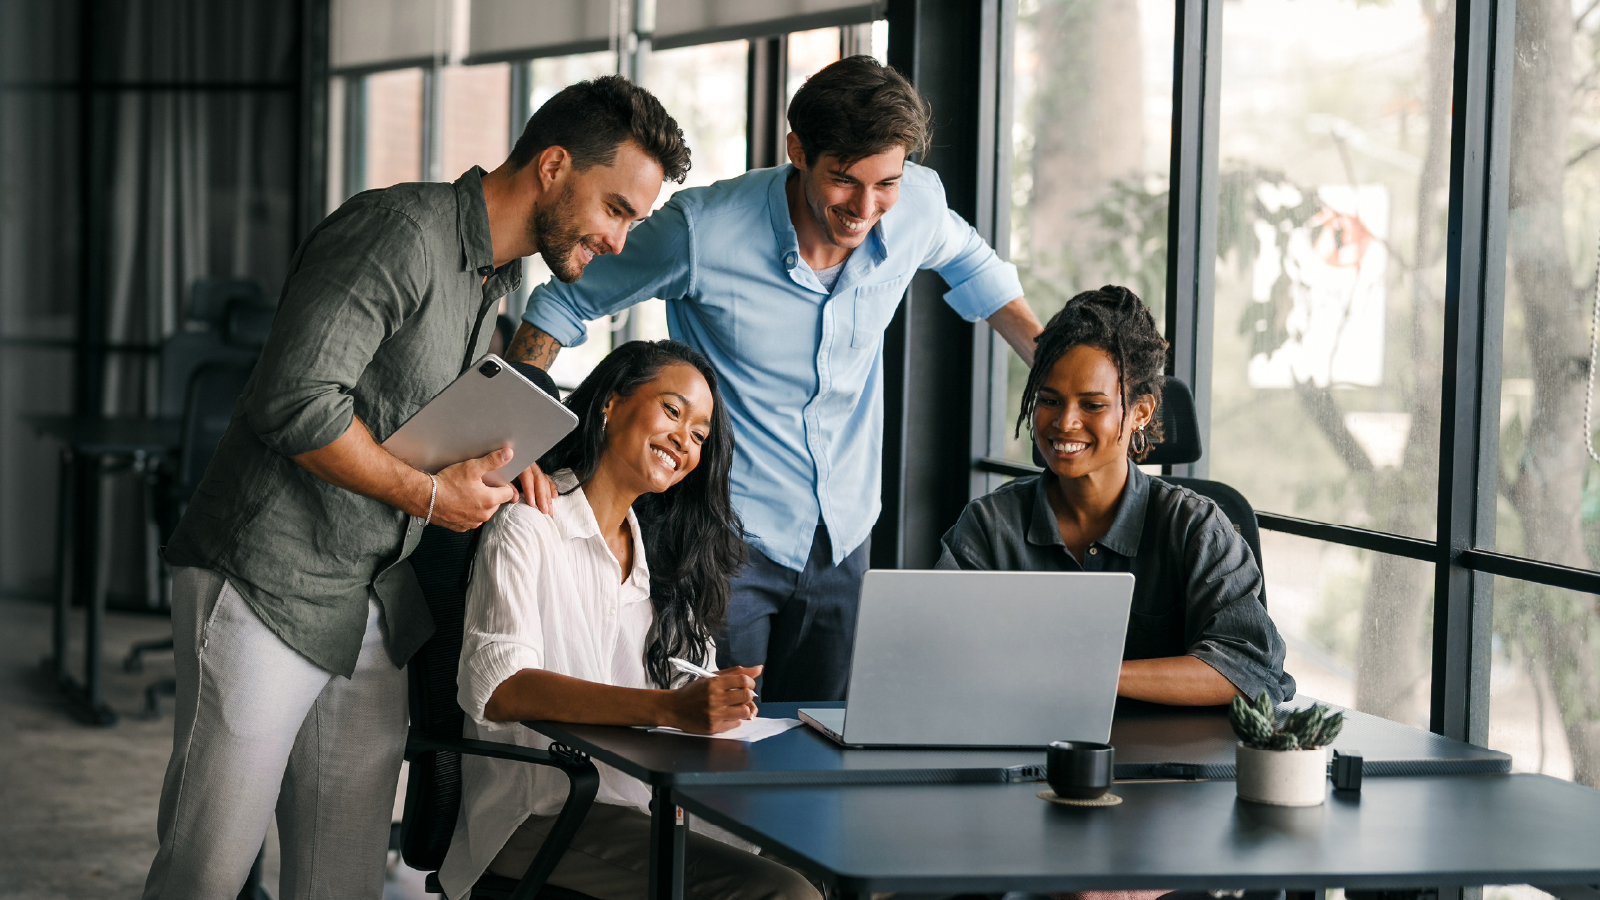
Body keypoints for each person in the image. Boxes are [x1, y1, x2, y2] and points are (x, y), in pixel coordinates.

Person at [143, 77, 691, 900]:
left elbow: (417, 427)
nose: (619, 240)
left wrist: (510, 459)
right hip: (266, 580)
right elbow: (294, 402)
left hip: (371, 601)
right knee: (207, 871)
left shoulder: (490, 288)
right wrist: (432, 500)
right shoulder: (397, 231)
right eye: (616, 209)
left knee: (342, 881)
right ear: (552, 166)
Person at [506, 56, 1044, 702]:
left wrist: (1056, 373)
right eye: (845, 181)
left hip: (844, 534)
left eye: (886, 184)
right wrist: (517, 437)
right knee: (714, 753)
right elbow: (561, 304)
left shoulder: (916, 206)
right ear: (798, 150)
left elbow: (976, 270)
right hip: (723, 537)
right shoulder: (703, 232)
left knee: (821, 751)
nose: (866, 208)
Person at [438, 340, 819, 900]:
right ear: (610, 404)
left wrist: (720, 708)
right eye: (672, 411)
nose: (683, 441)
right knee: (787, 894)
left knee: (840, 867)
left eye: (699, 436)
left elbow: (692, 702)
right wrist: (672, 709)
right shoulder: (529, 525)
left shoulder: (661, 568)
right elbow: (498, 688)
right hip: (548, 813)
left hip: (647, 807)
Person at [936, 286, 1295, 706]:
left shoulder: (1195, 528)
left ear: (1141, 412)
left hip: (1167, 765)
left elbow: (1249, 668)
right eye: (1050, 400)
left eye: (1092, 405)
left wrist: (1087, 674)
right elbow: (940, 655)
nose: (1065, 422)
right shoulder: (990, 526)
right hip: (1027, 758)